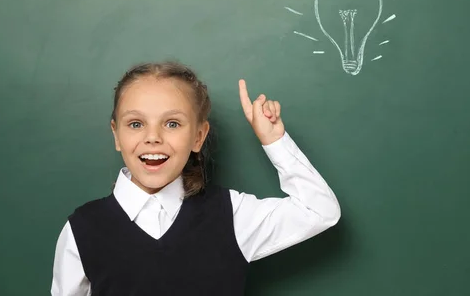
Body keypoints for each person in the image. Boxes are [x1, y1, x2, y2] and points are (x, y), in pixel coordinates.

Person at [51, 61, 340, 296]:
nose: (153, 137)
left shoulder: (232, 215)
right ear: (116, 134)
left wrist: (274, 141)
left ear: (198, 136)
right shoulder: (83, 228)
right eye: (136, 124)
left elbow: (319, 211)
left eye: (172, 123)